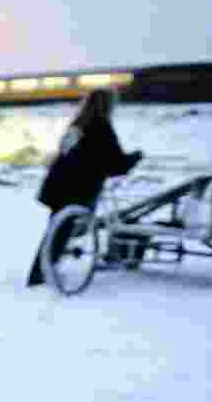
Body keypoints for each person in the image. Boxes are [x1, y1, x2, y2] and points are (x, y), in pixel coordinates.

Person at [26, 88, 143, 287]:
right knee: (62, 233)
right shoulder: (101, 127)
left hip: (57, 186)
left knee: (56, 231)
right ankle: (40, 276)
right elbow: (116, 164)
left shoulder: (77, 125)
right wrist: (135, 158)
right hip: (78, 189)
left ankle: (40, 272)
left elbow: (65, 151)